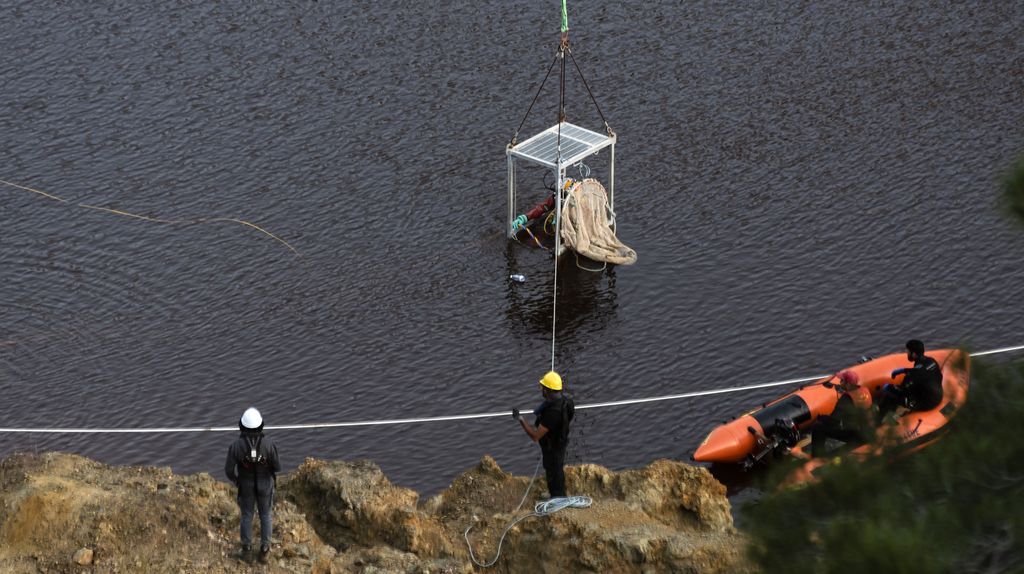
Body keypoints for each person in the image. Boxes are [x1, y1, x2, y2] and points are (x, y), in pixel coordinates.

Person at [225, 407, 281, 563]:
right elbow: (277, 467)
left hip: (246, 485)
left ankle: (247, 550)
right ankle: (264, 550)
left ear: (241, 426)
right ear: (261, 425)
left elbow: (228, 470)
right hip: (265, 484)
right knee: (265, 515)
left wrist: (237, 480)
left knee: (247, 515)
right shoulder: (269, 445)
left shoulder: (236, 446)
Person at [513, 371, 575, 499]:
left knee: (554, 470)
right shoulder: (566, 401)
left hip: (553, 446)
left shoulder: (553, 414)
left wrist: (520, 419)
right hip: (559, 441)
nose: (541, 389)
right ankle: (555, 494)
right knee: (555, 468)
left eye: (543, 387)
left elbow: (535, 436)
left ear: (547, 390)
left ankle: (557, 498)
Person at [876, 339, 944, 422]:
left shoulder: (913, 375)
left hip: (927, 403)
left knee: (889, 396)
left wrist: (889, 387)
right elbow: (922, 372)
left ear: (914, 354)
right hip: (937, 395)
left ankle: (879, 420)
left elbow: (902, 390)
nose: (907, 354)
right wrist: (904, 370)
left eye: (908, 352)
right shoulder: (931, 361)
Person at [810, 370, 874, 457]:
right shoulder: (865, 390)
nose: (840, 382)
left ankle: (817, 456)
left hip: (856, 436)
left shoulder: (846, 399)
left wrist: (821, 419)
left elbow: (833, 421)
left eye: (842, 381)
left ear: (848, 384)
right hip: (868, 431)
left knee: (818, 427)